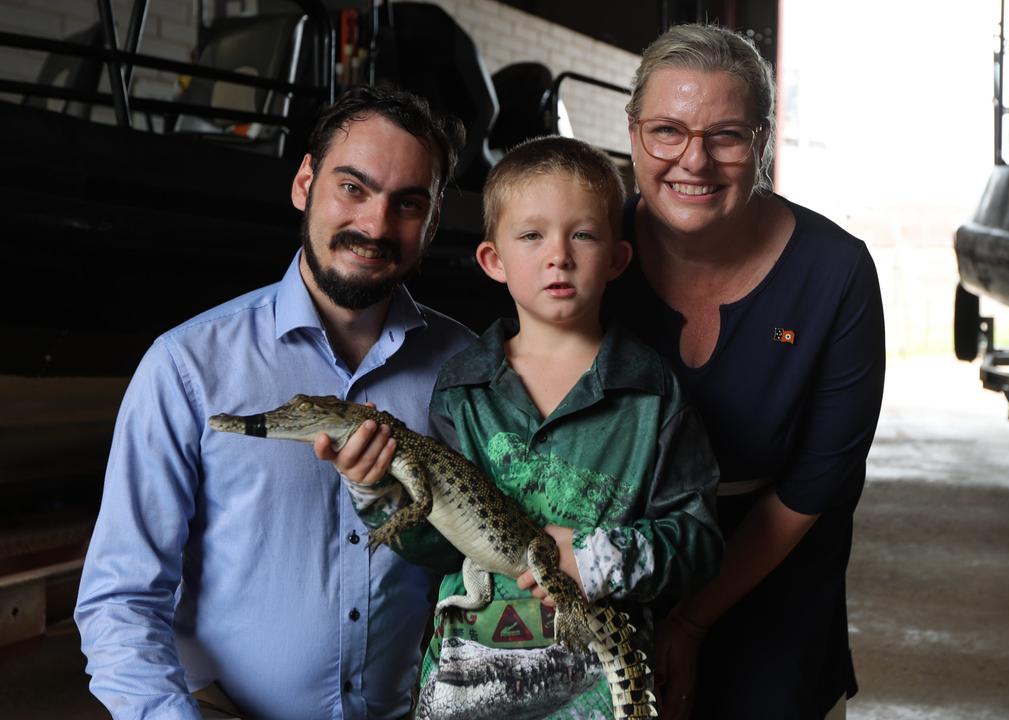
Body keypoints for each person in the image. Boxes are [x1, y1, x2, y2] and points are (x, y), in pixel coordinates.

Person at [74, 86, 476, 720]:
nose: (374, 225)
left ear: (432, 219)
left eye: (407, 203)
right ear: (304, 183)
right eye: (353, 187)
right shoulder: (187, 367)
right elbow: (120, 600)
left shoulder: (469, 371)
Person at [322, 136, 723, 719]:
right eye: (532, 236)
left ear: (616, 257)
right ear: (494, 260)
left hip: (594, 697)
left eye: (582, 234)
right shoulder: (463, 389)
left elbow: (700, 544)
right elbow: (440, 545)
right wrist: (378, 492)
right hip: (467, 688)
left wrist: (595, 557)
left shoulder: (653, 392)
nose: (558, 255)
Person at [608, 23, 887, 720]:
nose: (692, 162)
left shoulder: (836, 273)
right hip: (611, 575)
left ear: (761, 140)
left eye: (725, 136)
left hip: (773, 577)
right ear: (633, 130)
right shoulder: (584, 249)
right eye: (666, 131)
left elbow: (814, 483)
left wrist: (691, 623)